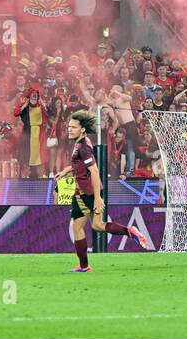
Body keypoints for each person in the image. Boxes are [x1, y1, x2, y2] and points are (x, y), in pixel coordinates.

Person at [49, 109, 148, 272]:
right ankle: (129, 232)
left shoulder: (83, 148)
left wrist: (97, 198)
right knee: (97, 225)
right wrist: (67, 170)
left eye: (73, 127)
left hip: (86, 193)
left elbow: (94, 171)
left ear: (82, 129)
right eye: (69, 127)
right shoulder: (81, 143)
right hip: (88, 191)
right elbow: (79, 165)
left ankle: (84, 266)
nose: (69, 129)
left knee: (78, 228)